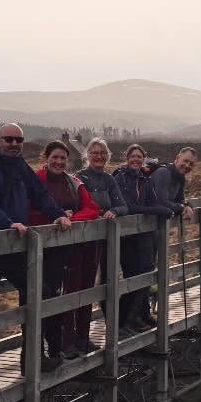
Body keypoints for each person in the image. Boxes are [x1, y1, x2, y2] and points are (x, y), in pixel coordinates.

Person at [0, 123, 72, 386]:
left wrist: (56, 214)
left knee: (41, 293)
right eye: (9, 139)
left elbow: (40, 193)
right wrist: (7, 222)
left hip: (14, 247)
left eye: (18, 140)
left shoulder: (20, 167)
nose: (14, 144)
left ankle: (31, 356)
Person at [28, 140, 105, 362]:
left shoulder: (73, 182)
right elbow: (29, 211)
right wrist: (56, 218)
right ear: (46, 158)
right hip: (46, 249)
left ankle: (80, 337)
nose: (59, 162)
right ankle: (61, 342)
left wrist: (72, 219)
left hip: (74, 245)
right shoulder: (36, 181)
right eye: (55, 157)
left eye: (63, 158)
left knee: (80, 288)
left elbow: (92, 207)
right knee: (54, 294)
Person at [67, 138, 128, 354]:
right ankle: (70, 338)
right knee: (75, 287)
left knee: (92, 288)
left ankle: (83, 337)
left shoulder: (109, 180)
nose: (99, 156)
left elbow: (122, 205)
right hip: (79, 242)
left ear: (107, 156)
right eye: (94, 152)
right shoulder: (78, 179)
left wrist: (114, 212)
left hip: (100, 242)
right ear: (87, 156)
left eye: (103, 153)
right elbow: (75, 207)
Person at [111, 143, 172, 332]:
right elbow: (129, 206)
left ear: (143, 158)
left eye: (139, 156)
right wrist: (158, 210)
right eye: (133, 156)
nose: (136, 159)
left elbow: (152, 200)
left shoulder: (145, 179)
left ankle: (139, 315)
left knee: (146, 272)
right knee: (132, 275)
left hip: (143, 235)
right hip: (126, 236)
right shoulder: (120, 178)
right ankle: (124, 321)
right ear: (127, 158)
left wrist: (166, 209)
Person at [150, 146, 198, 224]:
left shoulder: (180, 178)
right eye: (185, 161)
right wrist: (183, 208)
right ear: (177, 158)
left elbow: (180, 200)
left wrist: (188, 205)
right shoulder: (163, 173)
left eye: (191, 164)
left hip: (157, 224)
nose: (187, 165)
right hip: (143, 223)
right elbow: (162, 202)